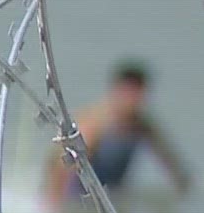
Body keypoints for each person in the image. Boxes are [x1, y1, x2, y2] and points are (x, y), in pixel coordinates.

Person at [44, 61, 191, 205]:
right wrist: (52, 207)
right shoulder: (97, 123)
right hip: (77, 195)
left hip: (111, 194)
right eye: (129, 94)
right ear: (116, 91)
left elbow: (170, 162)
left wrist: (185, 191)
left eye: (138, 94)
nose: (133, 101)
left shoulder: (141, 125)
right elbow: (62, 167)